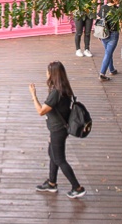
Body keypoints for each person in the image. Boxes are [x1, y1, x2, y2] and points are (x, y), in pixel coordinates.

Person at [29, 62, 86, 198]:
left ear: (53, 74)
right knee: (52, 153)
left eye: (48, 71)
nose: (46, 74)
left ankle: (77, 187)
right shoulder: (65, 87)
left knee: (59, 159)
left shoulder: (56, 92)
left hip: (58, 130)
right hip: (60, 128)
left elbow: (41, 111)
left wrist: (33, 95)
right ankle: (52, 183)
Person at [96, 0, 122, 82]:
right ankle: (102, 74)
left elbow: (98, 20)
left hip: (103, 34)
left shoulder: (102, 8)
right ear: (114, 0)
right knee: (108, 53)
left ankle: (112, 69)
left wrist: (98, 33)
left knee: (108, 52)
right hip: (113, 34)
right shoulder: (118, 10)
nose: (120, 0)